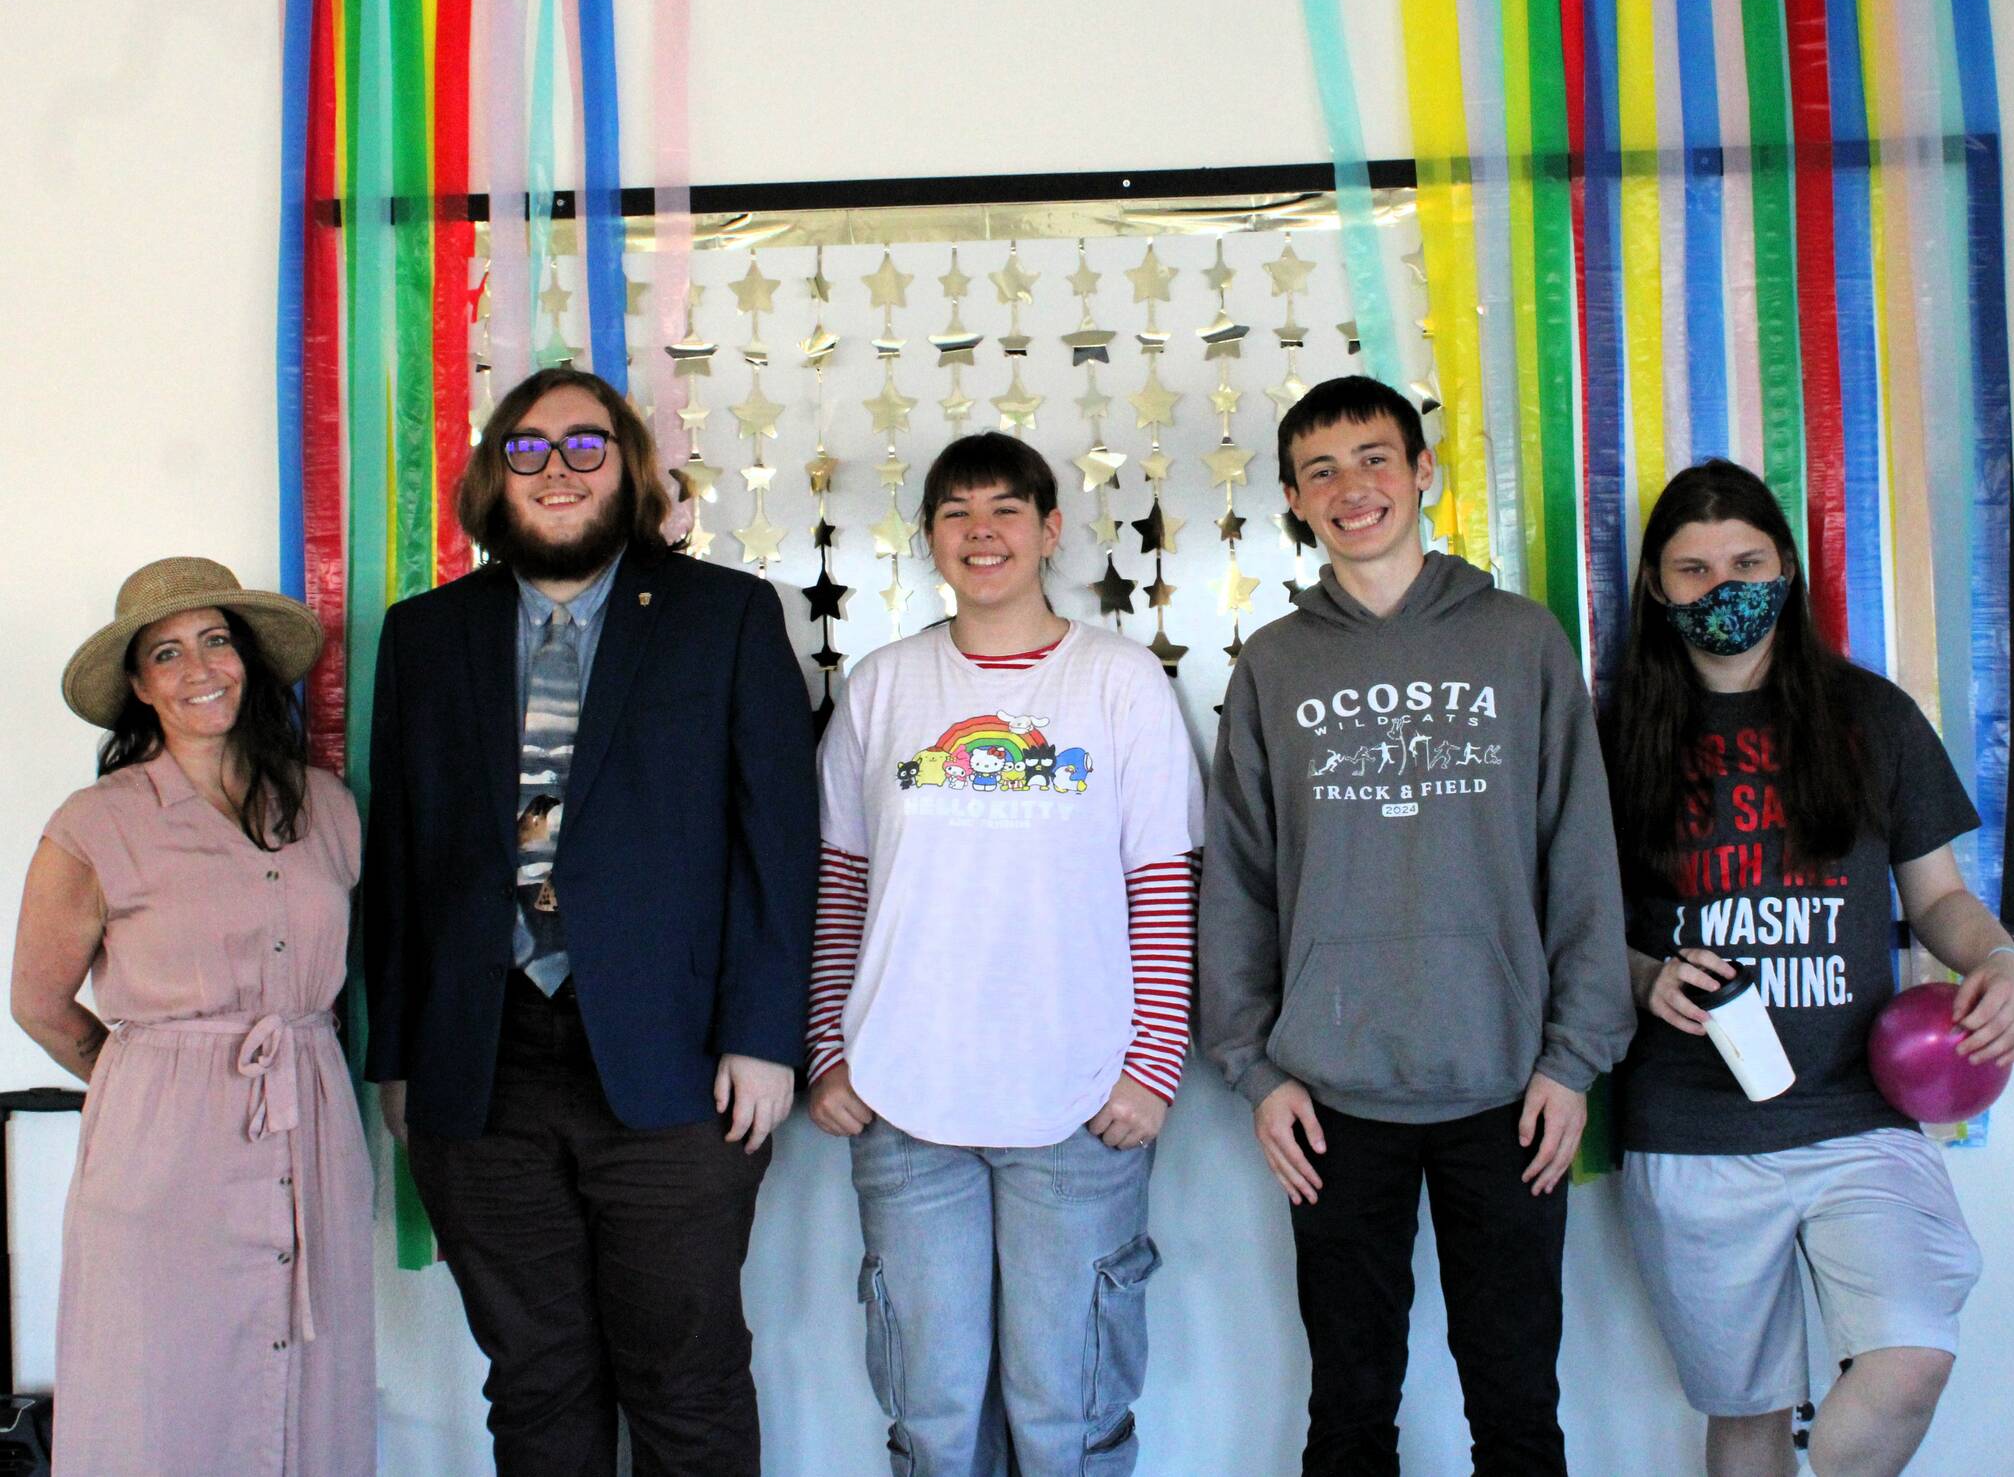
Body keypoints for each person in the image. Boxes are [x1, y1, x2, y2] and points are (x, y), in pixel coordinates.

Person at [362, 367, 817, 1477]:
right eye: (526, 449)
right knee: (535, 1379)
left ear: (629, 469)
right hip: (480, 1068)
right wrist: (399, 1053)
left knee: (686, 1375)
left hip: (677, 1069)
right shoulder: (423, 635)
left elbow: (778, 844)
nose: (556, 470)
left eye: (583, 446)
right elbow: (400, 854)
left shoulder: (725, 615)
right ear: (491, 476)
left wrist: (764, 1035)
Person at [1200, 375, 1634, 1476]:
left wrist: (1572, 1061)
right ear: (1295, 501)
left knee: (1517, 1410)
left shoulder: (1519, 642)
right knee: (1347, 1413)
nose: (1353, 487)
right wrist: (1254, 1068)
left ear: (1421, 469)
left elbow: (1578, 861)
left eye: (1373, 456)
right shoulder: (1275, 665)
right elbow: (1240, 880)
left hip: (1509, 1094)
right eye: (1321, 471)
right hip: (1330, 1101)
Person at [1606, 459, 2014, 1477]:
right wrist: (1641, 977)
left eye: (1746, 561)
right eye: (1693, 569)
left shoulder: (1868, 715)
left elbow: (1935, 899)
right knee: (1745, 1409)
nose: (1723, 588)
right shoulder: (1615, 735)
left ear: (1788, 568)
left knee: (1909, 1355)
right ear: (1656, 588)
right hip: (1691, 1126)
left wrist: (2002, 964)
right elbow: (1573, 928)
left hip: (1856, 1115)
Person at [806, 431, 1202, 1476]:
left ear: (1049, 530)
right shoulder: (882, 688)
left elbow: (1161, 884)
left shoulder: (1117, 682)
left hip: (1077, 1104)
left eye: (1005, 510)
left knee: (1065, 1419)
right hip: (901, 1099)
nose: (980, 532)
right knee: (933, 1424)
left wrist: (1151, 1061)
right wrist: (824, 1048)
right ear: (930, 539)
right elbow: (838, 884)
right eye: (954, 513)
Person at [14, 557, 372, 1475]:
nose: (198, 666)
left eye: (215, 639)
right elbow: (39, 1002)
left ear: (246, 658)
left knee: (309, 1367)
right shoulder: (95, 822)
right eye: (166, 652)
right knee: (161, 1378)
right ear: (139, 685)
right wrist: (152, 1084)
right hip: (163, 1147)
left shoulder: (326, 804)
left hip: (310, 1117)